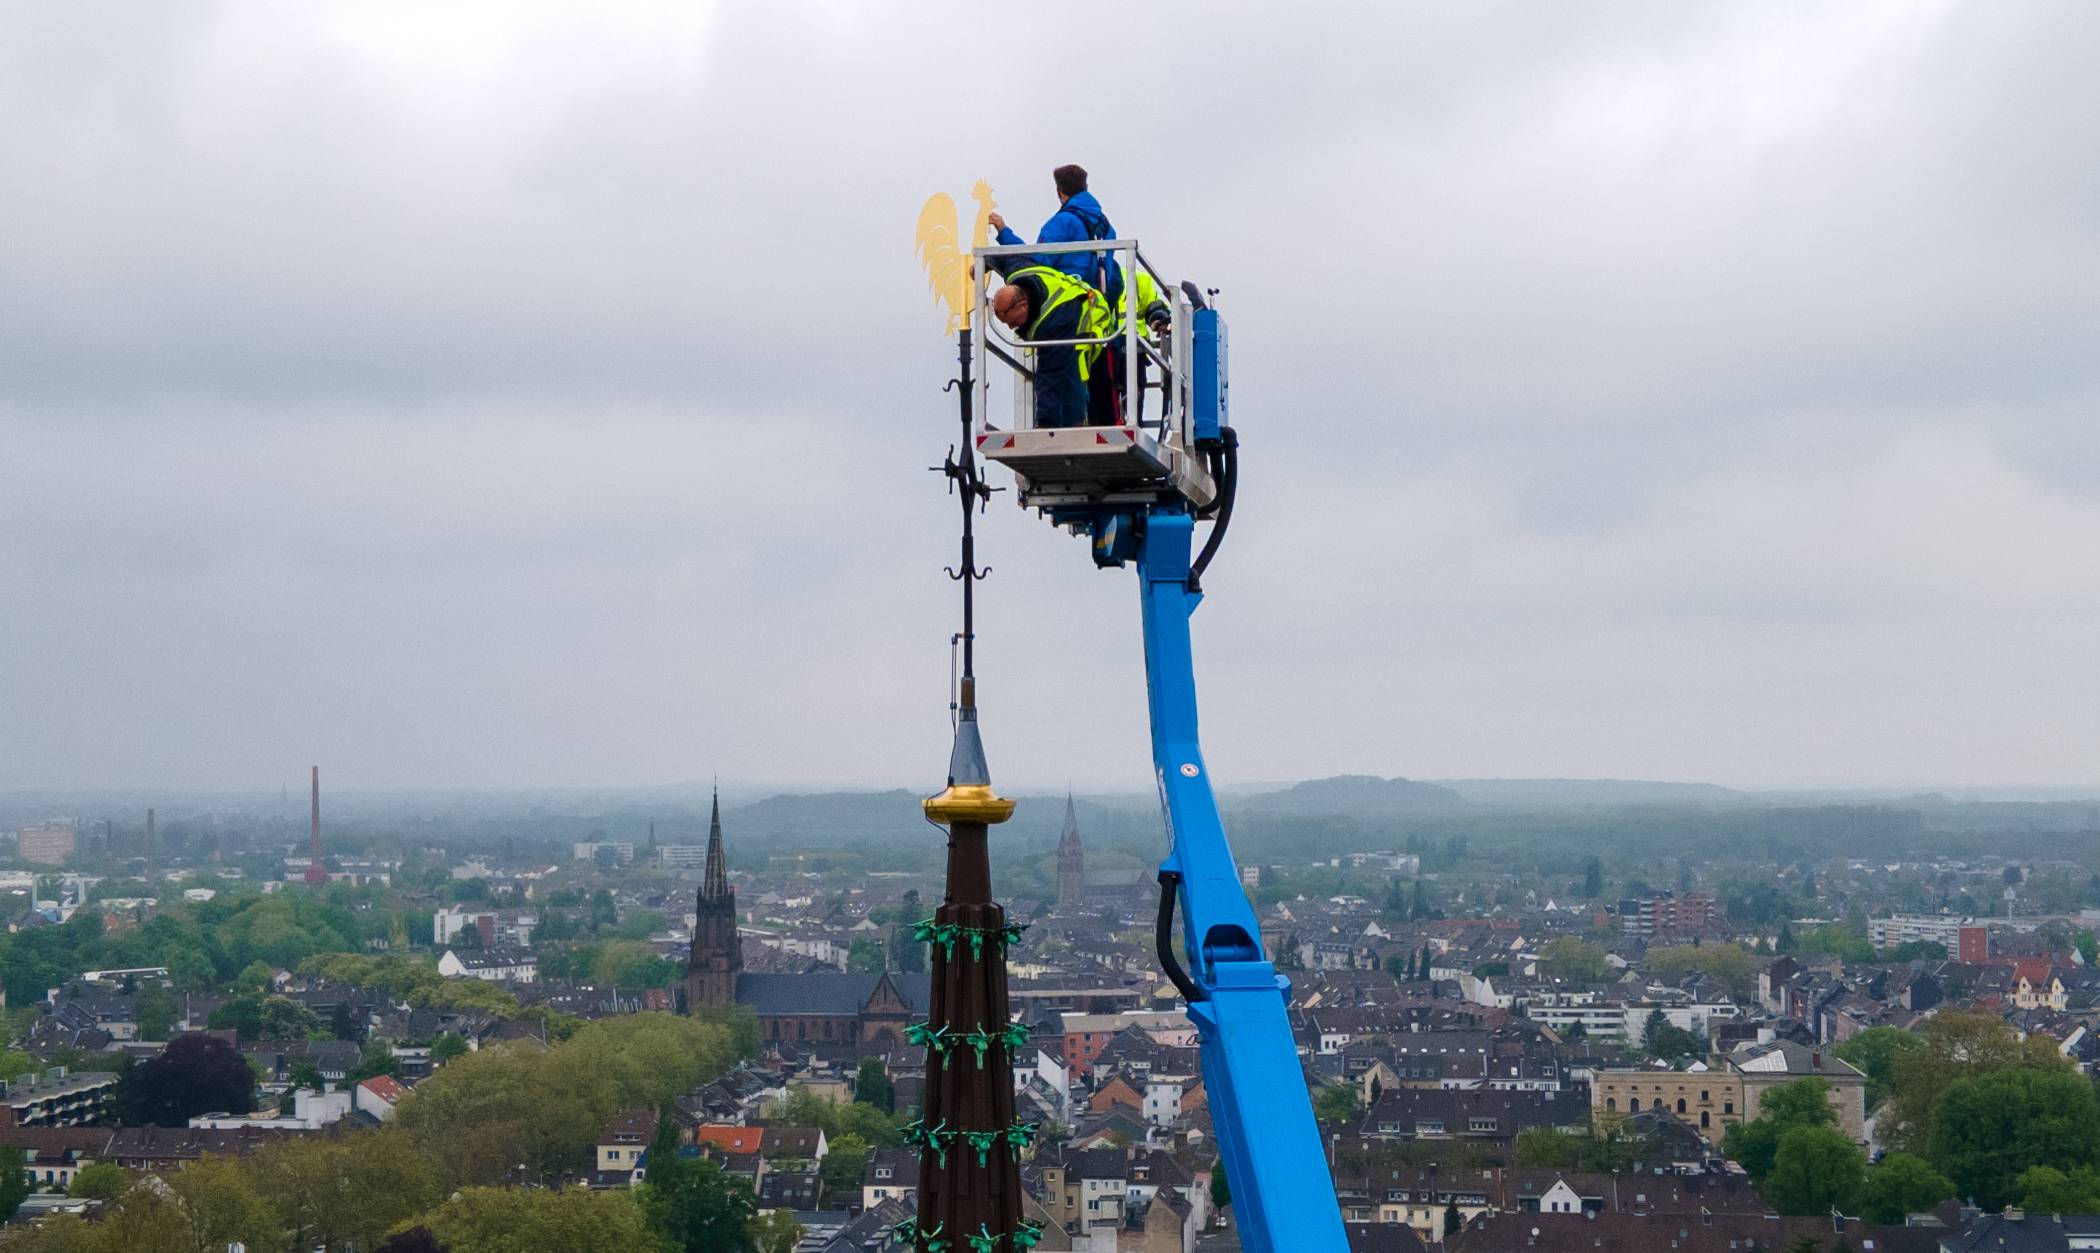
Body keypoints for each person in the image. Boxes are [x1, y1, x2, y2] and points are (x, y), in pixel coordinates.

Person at [989, 263, 1111, 429]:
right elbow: (1010, 259)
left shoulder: (1052, 322)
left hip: (1089, 317)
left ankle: (1075, 426)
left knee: (1073, 374)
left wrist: (1045, 426)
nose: (1012, 327)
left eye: (1013, 321)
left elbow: (1049, 378)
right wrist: (987, 263)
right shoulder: (1018, 274)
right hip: (1076, 304)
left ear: (1023, 305)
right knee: (1065, 375)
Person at [987, 164, 1121, 306]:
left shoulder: (1062, 222)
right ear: (1085, 186)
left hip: (1068, 302)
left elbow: (1037, 261)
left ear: (1058, 191)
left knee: (1016, 263)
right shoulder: (1106, 227)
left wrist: (1003, 232)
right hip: (1099, 304)